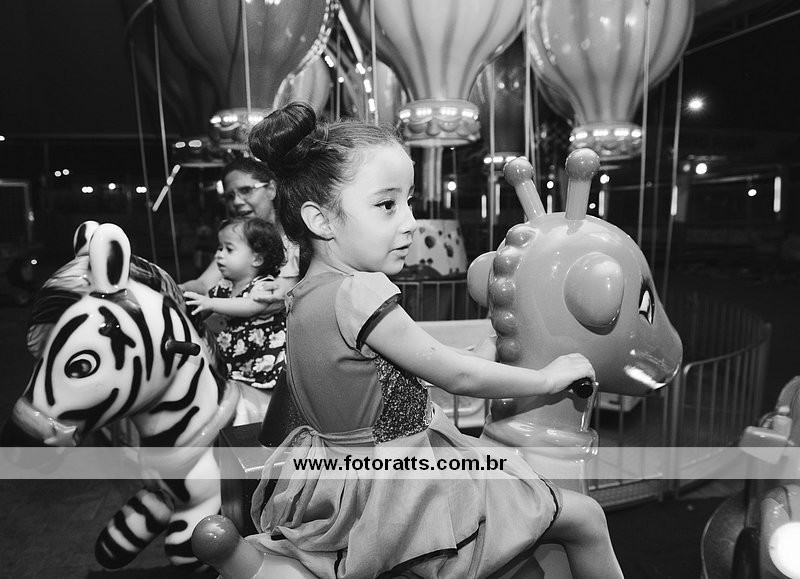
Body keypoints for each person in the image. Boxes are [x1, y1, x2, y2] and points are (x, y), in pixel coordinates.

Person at [245, 102, 623, 579]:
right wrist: (548, 378)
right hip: (400, 487)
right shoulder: (360, 291)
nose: (409, 222)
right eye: (387, 205)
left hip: (340, 482)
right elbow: (455, 376)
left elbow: (383, 377)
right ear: (321, 221)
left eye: (409, 202)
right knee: (585, 517)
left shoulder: (302, 296)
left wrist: (476, 353)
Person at [179, 156, 300, 314]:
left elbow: (279, 298)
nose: (236, 202)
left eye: (245, 190)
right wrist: (178, 289)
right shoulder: (236, 243)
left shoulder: (296, 239)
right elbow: (203, 285)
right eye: (230, 196)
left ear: (271, 189)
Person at [184, 217, 287, 393]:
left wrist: (210, 303)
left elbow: (251, 306)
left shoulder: (263, 285)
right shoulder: (224, 285)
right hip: (236, 356)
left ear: (256, 259)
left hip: (260, 359)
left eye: (229, 249)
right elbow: (202, 310)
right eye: (219, 248)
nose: (219, 255)